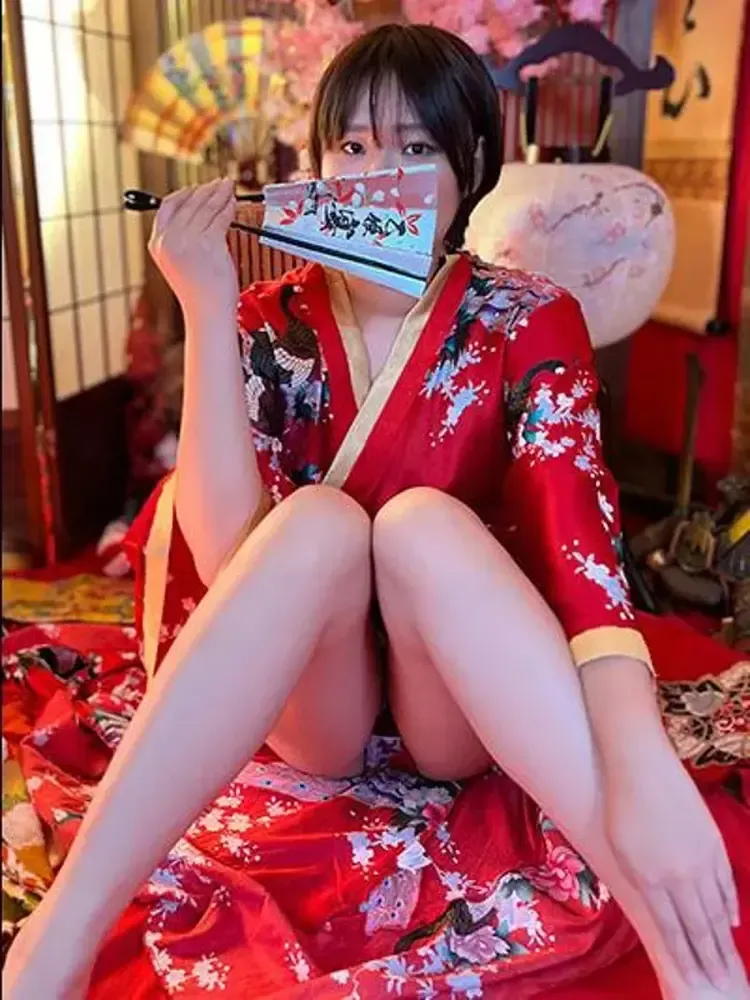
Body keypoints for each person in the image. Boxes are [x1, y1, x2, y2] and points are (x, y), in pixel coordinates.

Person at [3, 23, 747, 1000]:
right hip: (320, 704)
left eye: (415, 146)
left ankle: (670, 925)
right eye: (351, 145)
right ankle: (63, 933)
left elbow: (581, 545)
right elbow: (227, 558)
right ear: (312, 167)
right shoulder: (268, 319)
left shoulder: (529, 317)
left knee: (418, 524)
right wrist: (207, 304)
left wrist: (639, 757)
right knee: (316, 523)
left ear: (468, 164)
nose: (374, 175)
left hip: (457, 701)